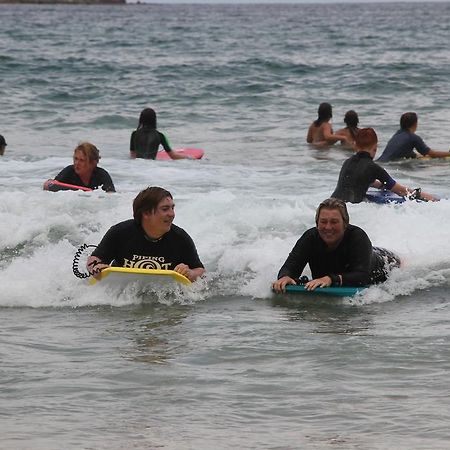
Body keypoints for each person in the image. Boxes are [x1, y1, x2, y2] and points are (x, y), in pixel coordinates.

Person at [272, 198, 401, 293]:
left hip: (385, 261)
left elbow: (362, 276)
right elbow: (290, 265)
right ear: (317, 223)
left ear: (345, 223)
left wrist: (330, 279)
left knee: (401, 264)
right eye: (323, 221)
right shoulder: (310, 237)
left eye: (334, 222)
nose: (328, 227)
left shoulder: (358, 236)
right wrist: (285, 277)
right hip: (357, 261)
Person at [87, 186, 205, 282]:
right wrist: (96, 267)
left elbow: (200, 271)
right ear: (146, 213)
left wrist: (190, 273)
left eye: (172, 208)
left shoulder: (180, 238)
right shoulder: (120, 232)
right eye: (165, 209)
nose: (172, 214)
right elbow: (95, 259)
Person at [331, 128, 437, 203]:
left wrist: (382, 185)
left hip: (332, 203)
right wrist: (429, 198)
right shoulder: (373, 168)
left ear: (355, 146)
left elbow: (361, 180)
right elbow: (401, 191)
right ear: (375, 148)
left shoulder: (347, 162)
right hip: (350, 208)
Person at [44, 142, 115, 192]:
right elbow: (51, 186)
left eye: (82, 160)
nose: (77, 163)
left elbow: (111, 197)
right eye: (76, 159)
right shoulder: (69, 171)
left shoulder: (102, 175)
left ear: (93, 163)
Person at [378, 112, 450, 162]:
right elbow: (432, 154)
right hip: (390, 164)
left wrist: (417, 156)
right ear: (415, 124)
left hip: (380, 162)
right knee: (435, 163)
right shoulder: (412, 137)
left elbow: (402, 151)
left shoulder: (397, 134)